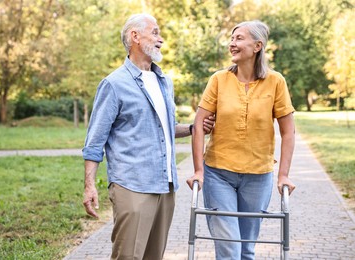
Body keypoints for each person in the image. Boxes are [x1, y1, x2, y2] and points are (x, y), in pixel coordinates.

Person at [82, 13, 214, 260]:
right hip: (132, 185)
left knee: (154, 256)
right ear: (134, 36)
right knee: (128, 256)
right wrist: (89, 185)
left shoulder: (163, 81)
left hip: (165, 185)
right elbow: (94, 141)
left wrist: (194, 128)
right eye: (155, 32)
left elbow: (165, 127)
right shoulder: (114, 84)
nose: (160, 39)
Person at [187, 20, 296, 260]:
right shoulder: (218, 80)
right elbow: (198, 124)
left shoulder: (276, 82)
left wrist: (283, 175)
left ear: (257, 46)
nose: (232, 44)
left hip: (259, 176)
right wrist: (198, 170)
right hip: (218, 173)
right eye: (232, 38)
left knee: (246, 249)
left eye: (239, 38)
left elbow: (288, 131)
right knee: (229, 249)